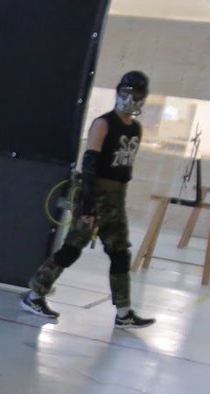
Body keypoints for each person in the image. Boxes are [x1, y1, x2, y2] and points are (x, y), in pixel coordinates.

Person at [21, 70, 155, 329]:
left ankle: (124, 312)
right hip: (96, 193)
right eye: (127, 93)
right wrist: (87, 204)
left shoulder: (135, 128)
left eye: (136, 95)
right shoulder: (104, 123)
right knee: (73, 248)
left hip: (116, 197)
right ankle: (35, 294)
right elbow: (90, 163)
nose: (131, 99)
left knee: (120, 252)